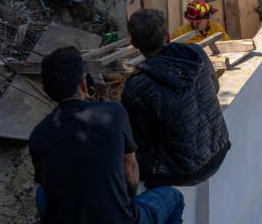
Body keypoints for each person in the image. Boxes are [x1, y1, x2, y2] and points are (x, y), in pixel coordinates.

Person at [29, 47, 184, 224]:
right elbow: (131, 169)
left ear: (46, 90)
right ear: (83, 84)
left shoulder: (38, 134)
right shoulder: (113, 113)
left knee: (41, 193)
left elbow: (50, 184)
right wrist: (126, 200)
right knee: (174, 197)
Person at [122, 9, 231, 188]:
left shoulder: (137, 86)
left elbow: (140, 141)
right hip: (220, 148)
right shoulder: (196, 54)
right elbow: (215, 87)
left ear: (133, 43)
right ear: (167, 36)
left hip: (184, 171)